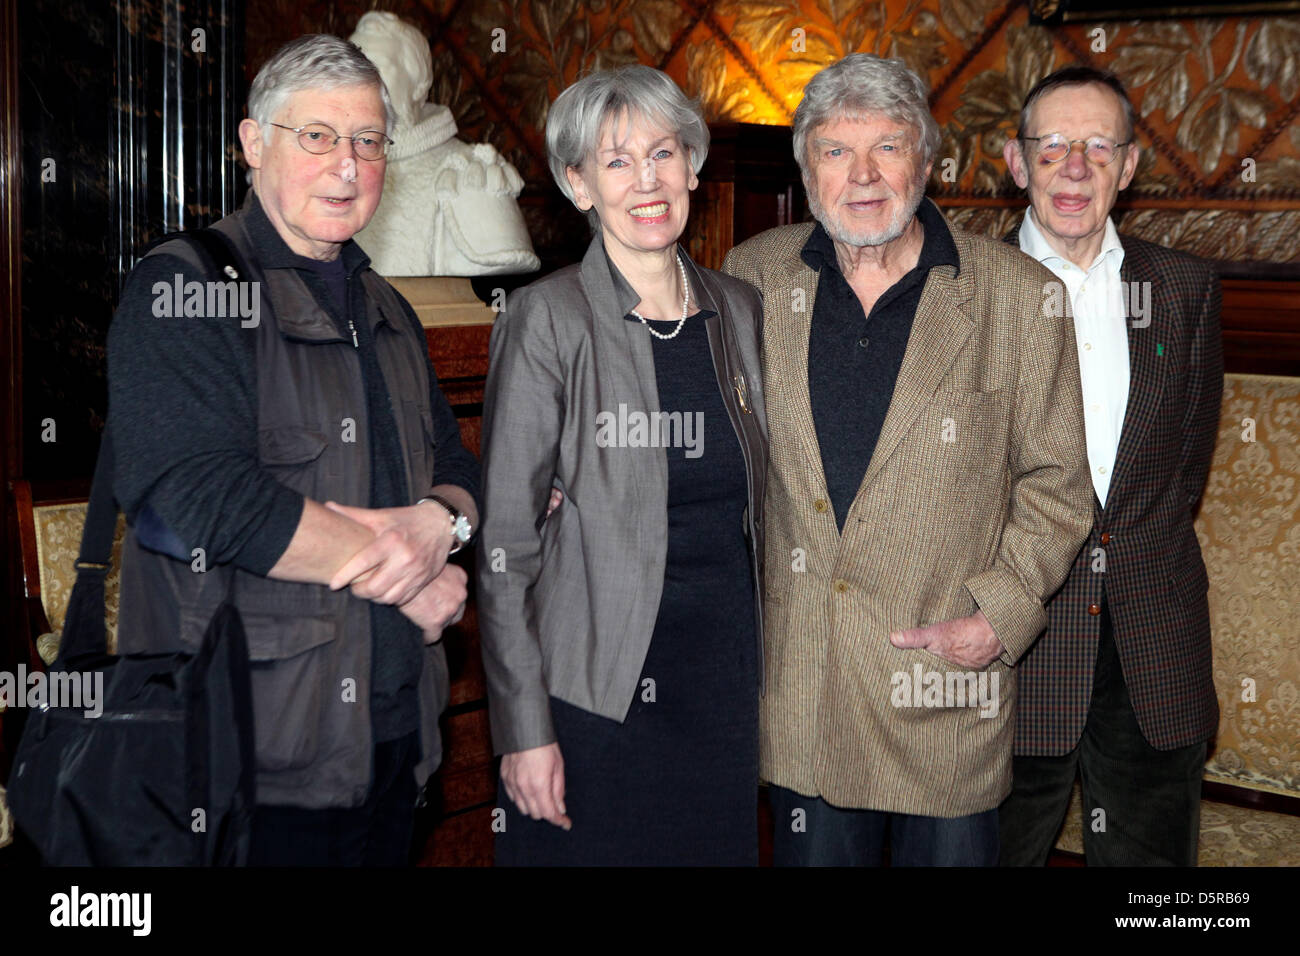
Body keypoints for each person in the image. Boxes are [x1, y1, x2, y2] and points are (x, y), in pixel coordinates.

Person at [106, 34, 480, 866]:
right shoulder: (187, 287)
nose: (346, 165)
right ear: (252, 144)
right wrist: (409, 561)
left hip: (394, 746)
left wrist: (440, 524)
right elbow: (188, 497)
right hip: (252, 766)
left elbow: (457, 470)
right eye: (317, 136)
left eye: (368, 141)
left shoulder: (388, 309)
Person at [722, 53, 1093, 866]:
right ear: (804, 166)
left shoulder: (1018, 298)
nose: (862, 175)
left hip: (942, 698)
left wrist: (998, 616)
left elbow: (1060, 487)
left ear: (926, 162)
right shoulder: (749, 277)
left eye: (887, 148)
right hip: (803, 699)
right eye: (834, 150)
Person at [476, 65, 768, 865]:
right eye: (616, 161)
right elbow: (504, 547)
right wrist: (524, 730)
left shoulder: (738, 312)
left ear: (693, 168)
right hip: (592, 693)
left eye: (665, 153)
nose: (647, 180)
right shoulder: (546, 318)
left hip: (721, 689)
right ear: (577, 185)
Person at [998, 66, 1223, 866]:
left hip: (1152, 651)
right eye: (1053, 145)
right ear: (1018, 163)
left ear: (1129, 167)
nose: (1076, 166)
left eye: (1100, 146)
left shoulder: (1184, 290)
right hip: (1007, 653)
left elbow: (1182, 470)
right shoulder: (960, 294)